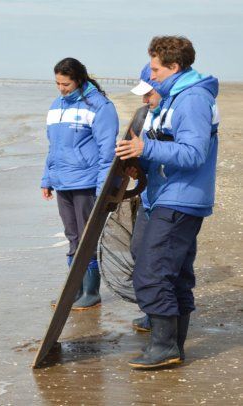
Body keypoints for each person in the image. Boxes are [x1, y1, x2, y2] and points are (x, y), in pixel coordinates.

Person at [115, 36, 219, 369]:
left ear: (174, 67)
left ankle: (165, 346)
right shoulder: (171, 99)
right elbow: (162, 149)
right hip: (161, 194)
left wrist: (145, 150)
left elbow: (194, 153)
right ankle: (170, 343)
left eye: (156, 70)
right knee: (168, 272)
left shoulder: (191, 100)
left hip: (182, 198)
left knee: (152, 272)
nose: (152, 79)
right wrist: (139, 163)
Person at [41, 57, 119, 310]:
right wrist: (47, 178)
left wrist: (102, 188)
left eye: (66, 84)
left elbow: (108, 152)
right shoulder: (56, 105)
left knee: (87, 238)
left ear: (79, 80)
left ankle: (91, 292)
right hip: (62, 181)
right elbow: (54, 147)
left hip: (86, 182)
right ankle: (74, 290)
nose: (61, 88)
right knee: (72, 236)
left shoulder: (100, 106)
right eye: (57, 83)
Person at [128, 64, 163, 333]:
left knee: (157, 262)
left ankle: (160, 320)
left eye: (148, 93)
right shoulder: (147, 116)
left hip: (170, 200)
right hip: (149, 197)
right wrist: (136, 165)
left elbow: (190, 154)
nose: (144, 99)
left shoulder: (175, 114)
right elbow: (148, 159)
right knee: (138, 251)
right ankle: (152, 311)